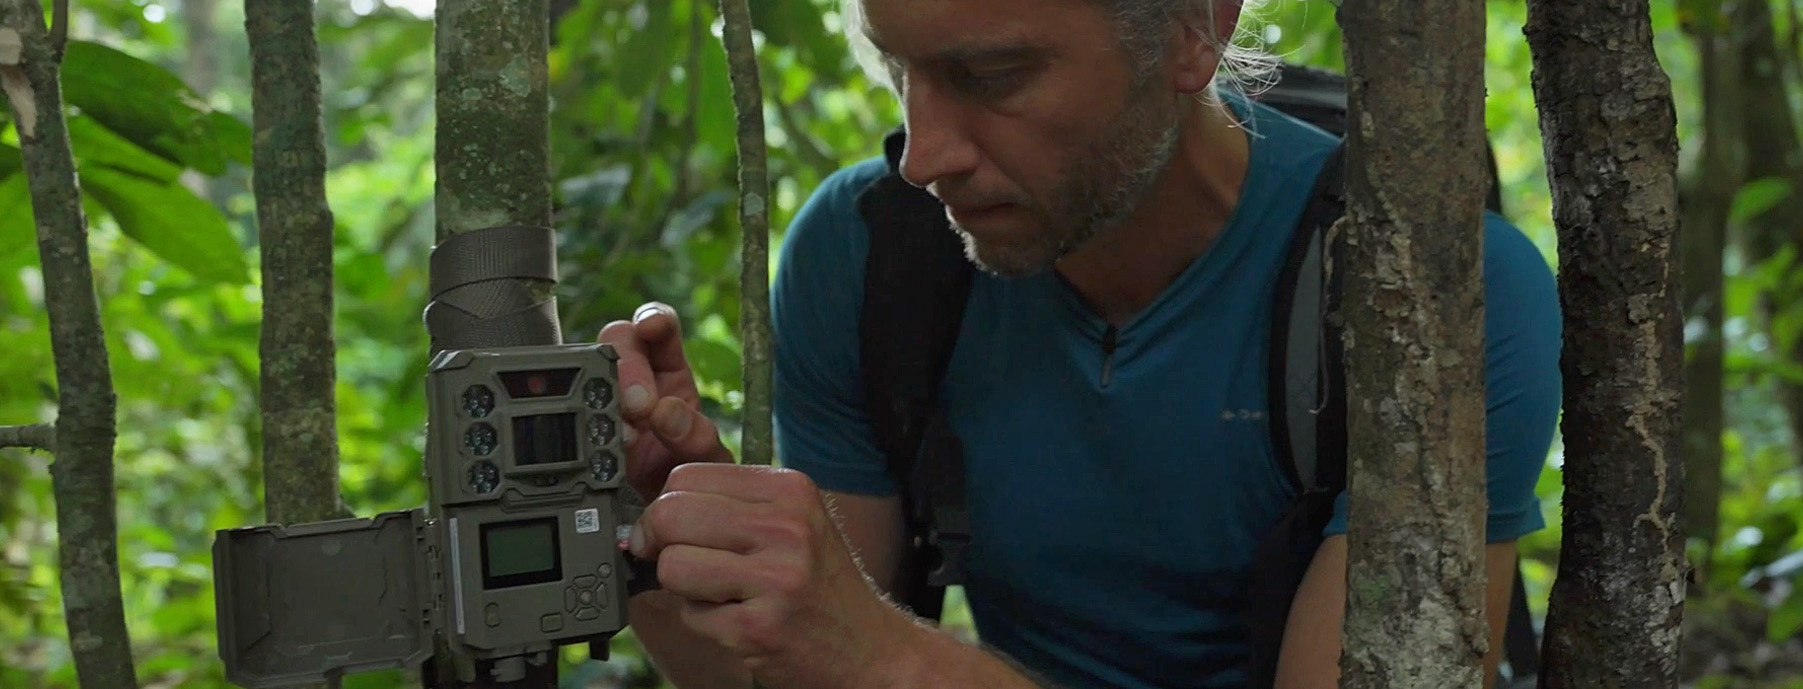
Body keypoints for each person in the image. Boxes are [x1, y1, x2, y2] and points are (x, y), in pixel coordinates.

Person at [595, 0, 1563, 687]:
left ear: (1194, 28)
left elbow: (865, 657)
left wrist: (888, 657)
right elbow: (797, 672)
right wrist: (661, 535)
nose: (924, 154)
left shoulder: (1432, 297)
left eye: (990, 75)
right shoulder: (869, 257)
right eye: (899, 71)